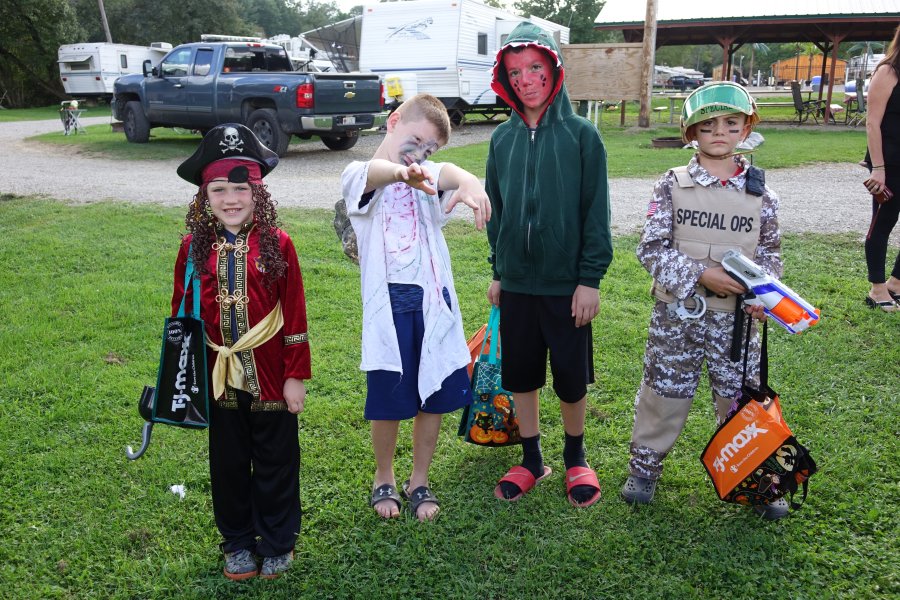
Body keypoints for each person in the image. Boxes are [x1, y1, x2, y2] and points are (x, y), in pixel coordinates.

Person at [620, 82, 788, 520]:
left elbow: (770, 254)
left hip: (737, 324)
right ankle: (644, 470)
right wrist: (701, 275)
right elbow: (651, 249)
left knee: (741, 400)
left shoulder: (761, 194)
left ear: (746, 128)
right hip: (679, 316)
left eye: (731, 123)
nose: (720, 132)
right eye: (708, 125)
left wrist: (761, 293)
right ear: (691, 132)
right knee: (664, 393)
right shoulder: (672, 185)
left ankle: (759, 477)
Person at [341, 94, 491, 522]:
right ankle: (384, 475)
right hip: (389, 312)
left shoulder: (427, 178)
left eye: (429, 150)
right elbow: (376, 172)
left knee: (434, 395)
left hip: (434, 309)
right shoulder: (360, 176)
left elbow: (449, 172)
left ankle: (419, 478)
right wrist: (403, 172)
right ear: (393, 122)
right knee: (388, 398)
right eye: (416, 140)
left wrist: (470, 184)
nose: (421, 155)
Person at [173, 123, 311, 579]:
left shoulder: (279, 244)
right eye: (219, 189)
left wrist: (295, 376)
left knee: (275, 459)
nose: (231, 199)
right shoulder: (193, 248)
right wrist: (185, 379)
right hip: (217, 377)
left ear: (258, 191)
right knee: (228, 463)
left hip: (271, 373)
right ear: (204, 195)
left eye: (241, 188)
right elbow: (182, 317)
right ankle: (236, 539)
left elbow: (294, 313)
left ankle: (277, 540)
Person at [485, 22, 613, 508]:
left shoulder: (583, 137)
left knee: (570, 375)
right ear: (505, 78)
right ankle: (532, 458)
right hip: (518, 282)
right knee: (521, 374)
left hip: (567, 285)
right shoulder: (501, 139)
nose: (525, 78)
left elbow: (595, 212)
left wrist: (589, 281)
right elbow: (497, 208)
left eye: (535, 67)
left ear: (554, 69)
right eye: (515, 71)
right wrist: (499, 271)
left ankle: (576, 455)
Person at [862, 24, 900, 313]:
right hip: (889, 164)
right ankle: (877, 289)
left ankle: (896, 283)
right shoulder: (888, 71)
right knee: (882, 224)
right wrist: (878, 168)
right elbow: (872, 122)